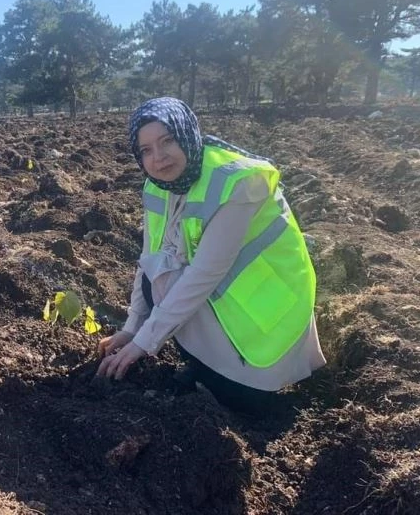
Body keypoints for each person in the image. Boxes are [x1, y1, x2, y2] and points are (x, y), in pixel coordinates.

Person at [96, 97, 325, 414]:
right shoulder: (158, 187)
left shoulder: (237, 182)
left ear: (187, 134)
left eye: (167, 141)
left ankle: (241, 382)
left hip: (264, 312)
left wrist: (143, 344)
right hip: (227, 301)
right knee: (158, 281)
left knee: (247, 403)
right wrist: (132, 327)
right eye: (146, 150)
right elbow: (149, 259)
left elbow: (205, 273)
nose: (158, 158)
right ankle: (207, 368)